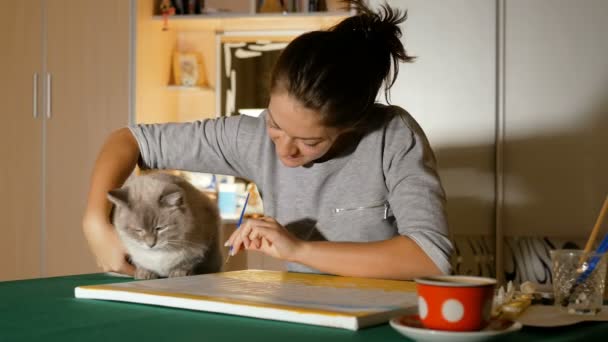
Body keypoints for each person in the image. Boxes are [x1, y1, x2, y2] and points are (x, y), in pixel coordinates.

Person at [82, 0, 453, 280]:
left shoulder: (392, 134)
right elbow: (128, 140)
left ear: (353, 126)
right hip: (301, 310)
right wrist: (95, 222)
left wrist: (300, 249)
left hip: (387, 312)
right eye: (275, 124)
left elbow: (431, 258)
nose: (284, 149)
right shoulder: (252, 137)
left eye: (309, 142)